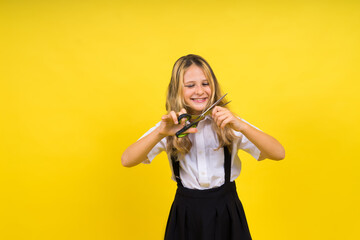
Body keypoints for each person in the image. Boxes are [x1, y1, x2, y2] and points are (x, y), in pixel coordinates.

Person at [122, 54, 285, 240]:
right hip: (185, 214)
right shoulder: (168, 127)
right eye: (190, 85)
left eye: (205, 84)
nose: (199, 91)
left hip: (227, 212)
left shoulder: (228, 123)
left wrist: (241, 126)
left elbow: (279, 153)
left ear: (213, 87)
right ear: (177, 90)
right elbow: (127, 160)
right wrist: (160, 132)